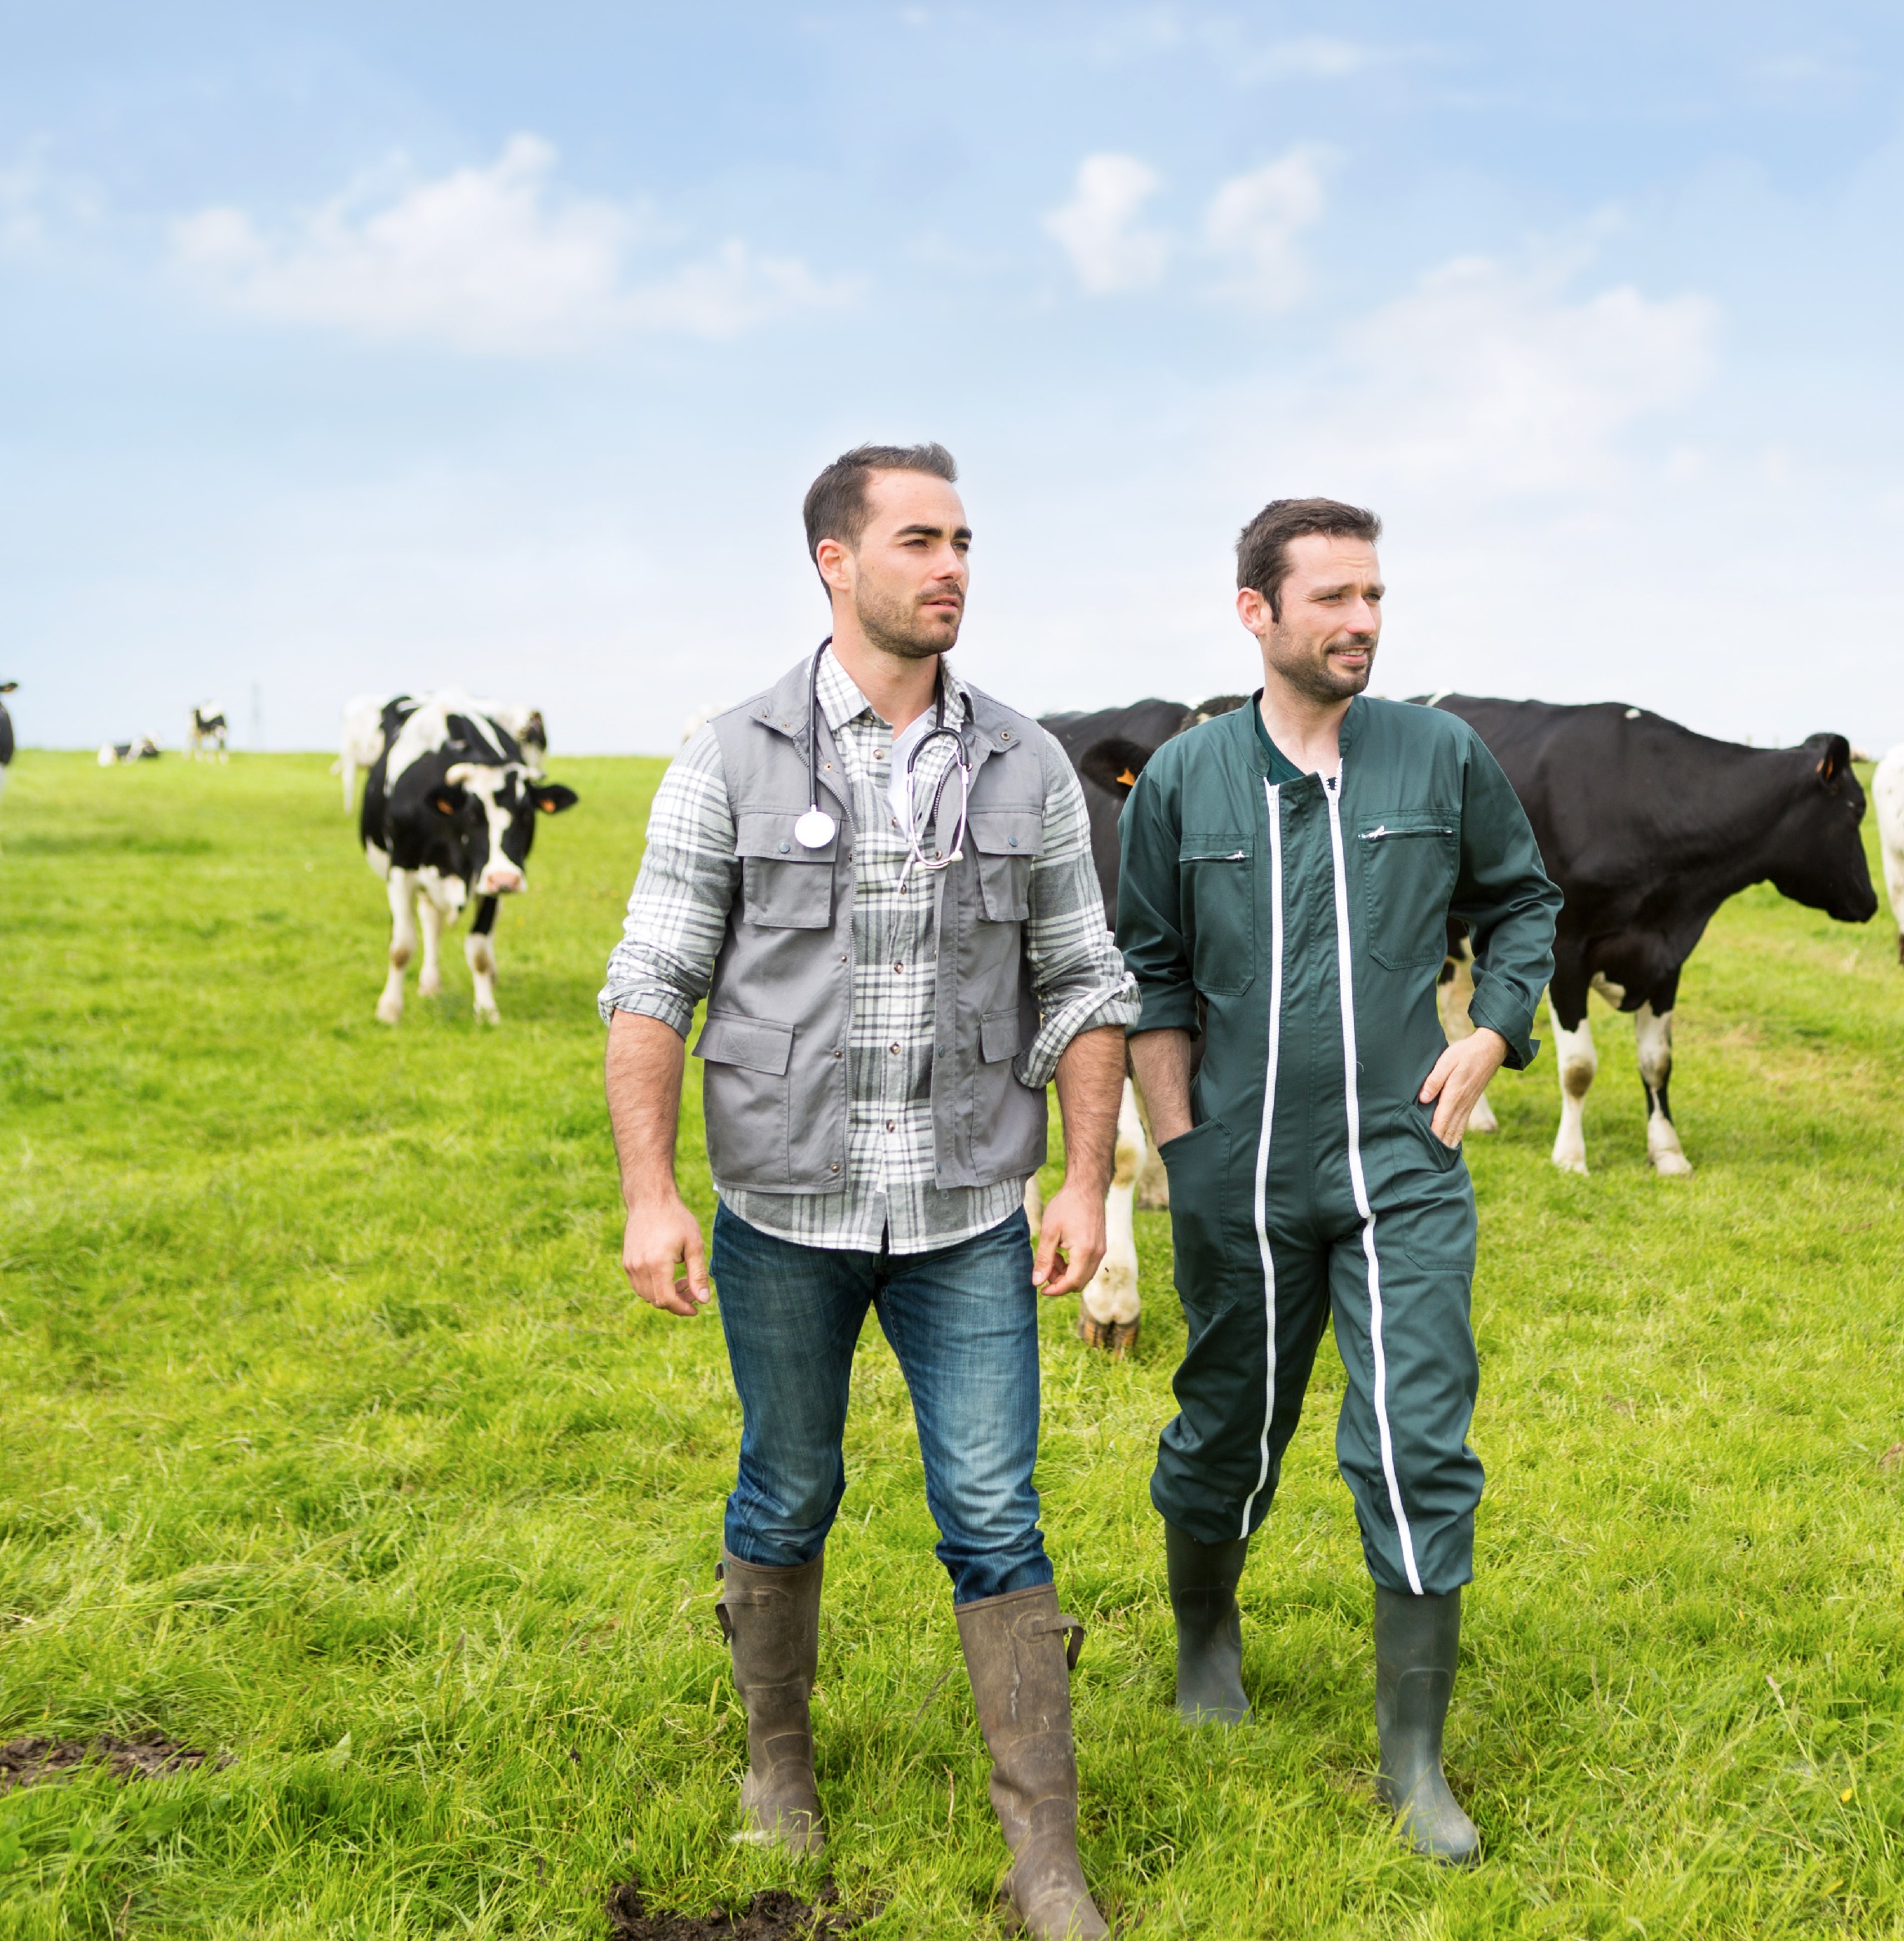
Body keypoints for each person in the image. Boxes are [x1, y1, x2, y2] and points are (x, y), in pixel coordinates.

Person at [600, 443, 1130, 1940]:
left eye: (963, 537)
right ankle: (779, 1763)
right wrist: (654, 1194)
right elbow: (654, 980)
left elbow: (1085, 982)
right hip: (783, 1209)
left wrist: (1086, 1184)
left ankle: (1047, 1857)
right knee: (789, 1482)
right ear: (834, 562)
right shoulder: (730, 754)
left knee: (993, 1510)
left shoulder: (1027, 762)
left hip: (967, 1209)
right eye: (918, 539)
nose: (952, 563)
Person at [1113, 497, 1559, 1862]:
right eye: (1334, 599)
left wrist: (1493, 1026)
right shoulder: (1187, 781)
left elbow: (1524, 899)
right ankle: (1204, 1637)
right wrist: (1182, 1149)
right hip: (1236, 1172)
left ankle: (1414, 1764)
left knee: (1418, 1440)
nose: (1363, 620)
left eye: (1374, 595)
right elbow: (1152, 975)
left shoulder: (1441, 755)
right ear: (1258, 612)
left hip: (1401, 1165)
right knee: (1229, 1432)